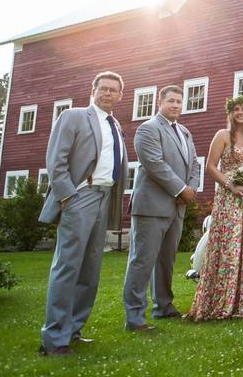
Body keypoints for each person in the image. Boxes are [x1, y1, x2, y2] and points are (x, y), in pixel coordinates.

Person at [38, 71, 128, 356]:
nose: (108, 93)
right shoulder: (74, 117)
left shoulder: (116, 125)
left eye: (113, 90)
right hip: (80, 196)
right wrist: (68, 195)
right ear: (93, 90)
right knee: (67, 267)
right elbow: (56, 160)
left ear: (120, 95)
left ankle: (73, 330)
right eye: (103, 88)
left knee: (91, 269)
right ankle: (54, 339)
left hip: (104, 197)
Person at [187, 95, 243, 320]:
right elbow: (210, 167)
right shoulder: (222, 135)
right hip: (230, 197)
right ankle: (223, 298)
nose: (241, 113)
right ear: (230, 113)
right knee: (230, 243)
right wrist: (231, 185)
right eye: (236, 109)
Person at [123, 85, 199, 330]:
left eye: (179, 101)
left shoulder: (185, 131)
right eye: (171, 101)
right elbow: (155, 164)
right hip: (152, 207)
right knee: (142, 261)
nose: (176, 105)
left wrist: (190, 190)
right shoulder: (148, 129)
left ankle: (164, 307)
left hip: (177, 207)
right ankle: (134, 317)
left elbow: (194, 165)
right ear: (160, 102)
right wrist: (180, 189)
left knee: (166, 260)